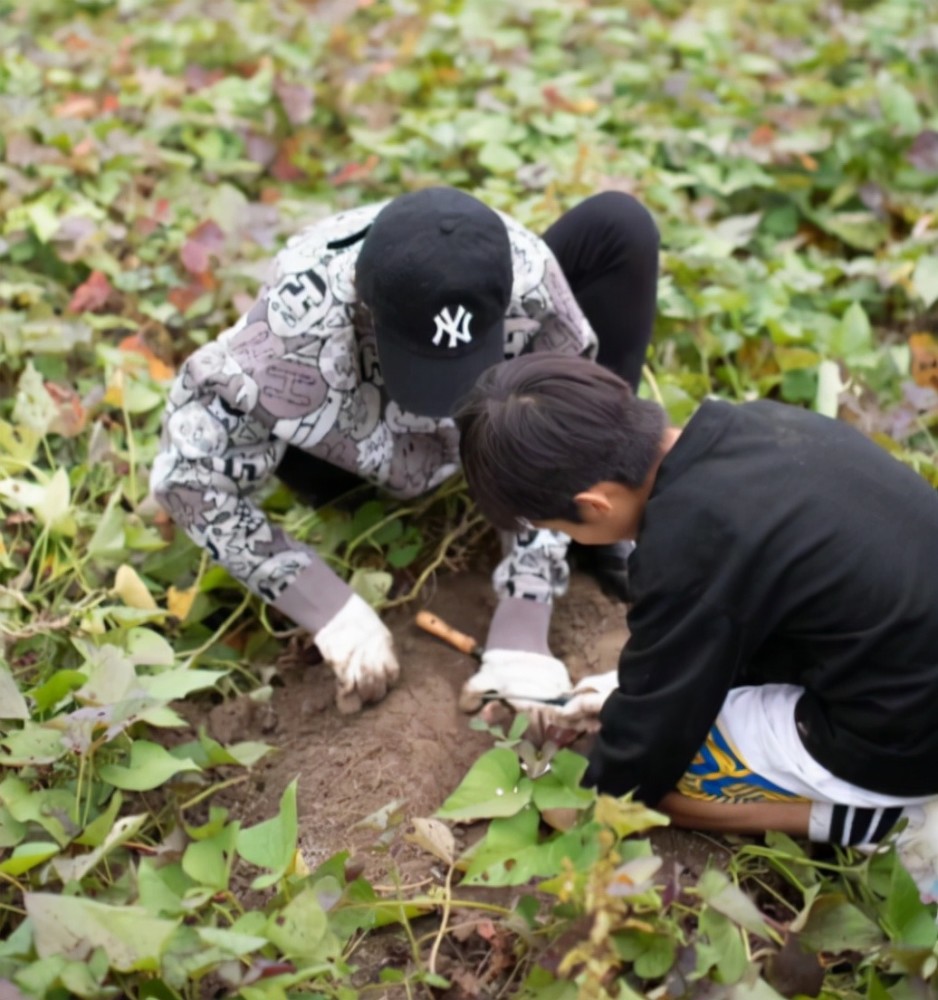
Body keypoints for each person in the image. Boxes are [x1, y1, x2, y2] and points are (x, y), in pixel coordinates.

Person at [151, 187, 660, 712]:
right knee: (257, 434)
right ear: (363, 312)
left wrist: (524, 614)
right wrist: (329, 609)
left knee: (617, 225)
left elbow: (565, 421)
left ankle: (593, 521)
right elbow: (187, 476)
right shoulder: (293, 327)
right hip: (347, 453)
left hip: (494, 431)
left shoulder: (528, 277)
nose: (440, 413)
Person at [454, 352, 938, 901]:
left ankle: (873, 824)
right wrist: (630, 690)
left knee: (681, 778)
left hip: (907, 736)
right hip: (906, 653)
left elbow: (651, 742)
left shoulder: (689, 546)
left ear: (594, 503)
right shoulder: (755, 423)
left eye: (556, 528)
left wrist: (591, 801)